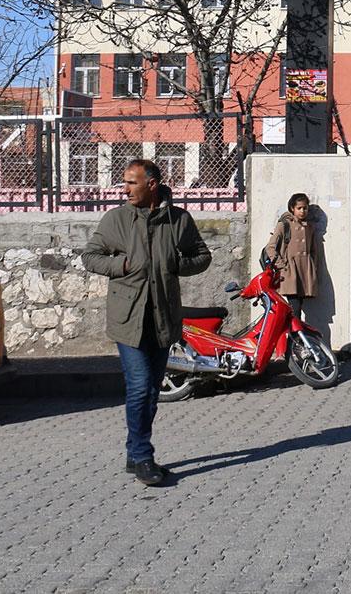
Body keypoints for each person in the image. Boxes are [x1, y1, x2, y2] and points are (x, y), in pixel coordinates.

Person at [82, 159, 212, 487]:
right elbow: (90, 257)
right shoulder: (116, 219)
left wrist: (176, 264)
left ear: (151, 184)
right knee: (140, 386)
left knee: (152, 390)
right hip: (128, 319)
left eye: (132, 183)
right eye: (124, 182)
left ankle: (133, 450)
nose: (125, 189)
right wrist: (122, 266)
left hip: (163, 317)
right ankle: (142, 456)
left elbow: (202, 256)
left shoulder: (178, 219)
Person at [263, 193, 323, 321]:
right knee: (295, 307)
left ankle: (294, 332)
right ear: (292, 208)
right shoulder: (284, 225)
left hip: (305, 272)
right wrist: (282, 266)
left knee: (298, 307)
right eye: (299, 208)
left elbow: (313, 251)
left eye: (305, 208)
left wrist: (313, 267)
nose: (302, 211)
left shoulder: (309, 227)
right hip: (290, 272)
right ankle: (294, 333)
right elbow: (270, 247)